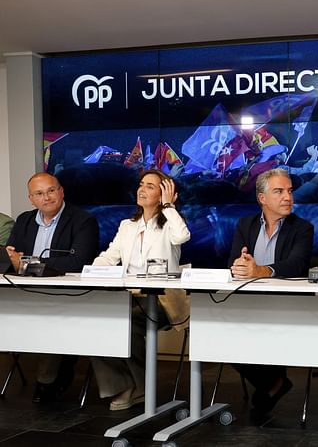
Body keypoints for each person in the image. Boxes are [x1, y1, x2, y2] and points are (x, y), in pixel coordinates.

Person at [90, 169, 190, 411]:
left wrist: (168, 206)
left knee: (127, 319)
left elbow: (182, 236)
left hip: (163, 300)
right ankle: (124, 386)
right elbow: (109, 257)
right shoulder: (127, 225)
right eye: (141, 184)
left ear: (165, 194)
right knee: (96, 320)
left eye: (151, 186)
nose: (142, 189)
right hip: (129, 297)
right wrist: (90, 272)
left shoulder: (170, 223)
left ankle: (141, 387)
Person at [228, 168, 314, 424]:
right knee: (220, 335)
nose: (288, 197)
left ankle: (274, 381)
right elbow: (233, 261)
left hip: (288, 305)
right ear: (262, 198)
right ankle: (273, 381)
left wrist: (261, 271)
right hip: (249, 303)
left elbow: (297, 265)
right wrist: (240, 266)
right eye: (279, 191)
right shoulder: (246, 224)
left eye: (289, 191)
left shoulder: (302, 228)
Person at [5, 172, 99, 403]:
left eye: (51, 191)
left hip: (67, 295)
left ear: (61, 192)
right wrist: (18, 262)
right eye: (39, 193)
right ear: (31, 199)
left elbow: (78, 262)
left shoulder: (83, 220)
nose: (46, 197)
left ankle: (48, 380)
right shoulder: (24, 220)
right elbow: (9, 258)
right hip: (24, 293)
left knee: (52, 316)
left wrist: (27, 263)